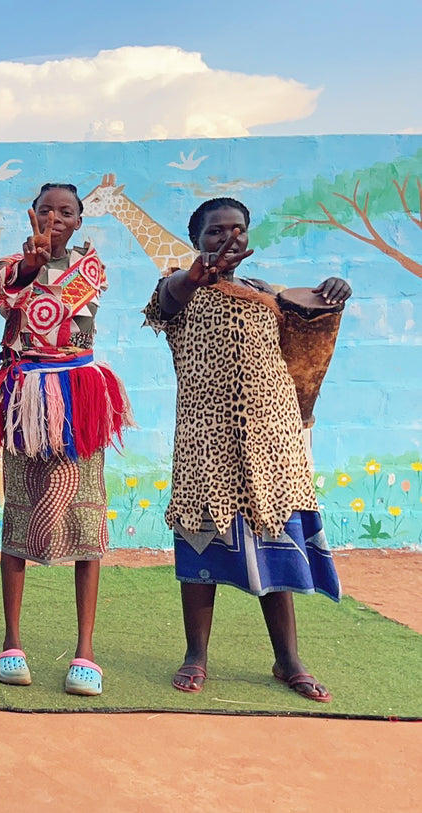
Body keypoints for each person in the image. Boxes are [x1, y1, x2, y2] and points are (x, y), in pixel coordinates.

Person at [143, 197, 350, 702]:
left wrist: (335, 290)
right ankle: (195, 655)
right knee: (200, 545)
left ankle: (288, 660)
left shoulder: (265, 293)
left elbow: (312, 318)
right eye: (216, 231)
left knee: (275, 544)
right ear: (197, 240)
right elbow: (165, 303)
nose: (227, 239)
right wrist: (198, 273)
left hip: (271, 440)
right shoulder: (181, 286)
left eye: (237, 230)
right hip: (205, 441)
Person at [0, 182, 133, 696]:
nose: (55, 218)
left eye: (66, 211)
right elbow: (2, 295)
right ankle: (11, 643)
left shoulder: (92, 268)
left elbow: (66, 314)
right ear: (32, 215)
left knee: (85, 515)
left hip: (79, 396)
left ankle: (86, 650)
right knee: (18, 509)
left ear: (80, 221)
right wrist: (28, 265)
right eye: (45, 210)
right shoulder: (10, 267)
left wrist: (41, 268)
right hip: (25, 400)